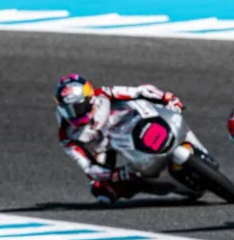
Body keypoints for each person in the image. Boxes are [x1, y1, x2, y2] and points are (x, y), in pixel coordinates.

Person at [55, 74, 189, 204]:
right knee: (101, 189)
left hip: (130, 121)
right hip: (105, 147)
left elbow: (139, 91)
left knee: (153, 98)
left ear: (90, 99)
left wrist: (166, 98)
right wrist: (114, 174)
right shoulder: (66, 135)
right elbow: (88, 167)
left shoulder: (103, 94)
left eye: (78, 108)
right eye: (68, 111)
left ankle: (183, 133)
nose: (74, 115)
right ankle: (153, 184)